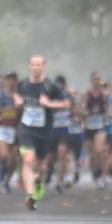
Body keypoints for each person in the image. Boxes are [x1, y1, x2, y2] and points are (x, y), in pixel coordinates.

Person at [16, 56, 69, 210]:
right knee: (27, 160)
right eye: (33, 65)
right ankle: (30, 195)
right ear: (29, 66)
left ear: (43, 66)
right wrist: (18, 102)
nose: (35, 68)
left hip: (44, 131)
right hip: (26, 128)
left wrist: (49, 104)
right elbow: (17, 95)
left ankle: (38, 181)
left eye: (38, 65)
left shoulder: (50, 86)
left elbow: (66, 103)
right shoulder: (24, 84)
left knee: (40, 167)